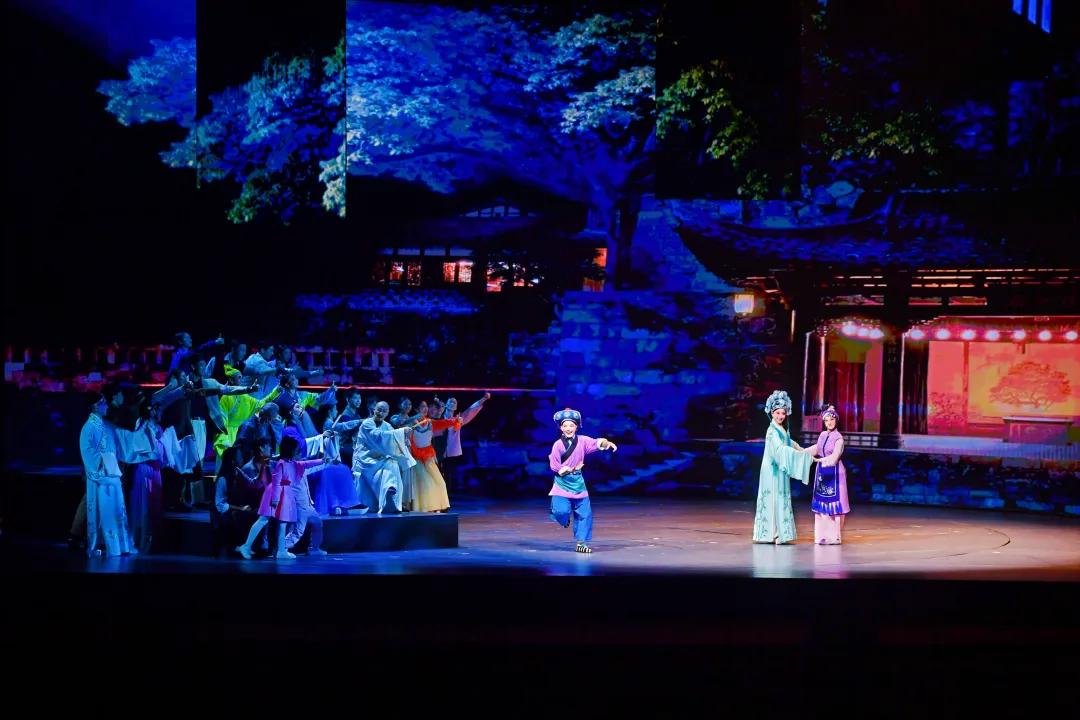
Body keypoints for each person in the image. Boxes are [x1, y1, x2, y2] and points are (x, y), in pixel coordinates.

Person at [546, 408, 618, 554]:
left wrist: (607, 443)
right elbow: (554, 464)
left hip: (578, 483)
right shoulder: (558, 445)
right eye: (565, 425)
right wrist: (564, 469)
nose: (568, 428)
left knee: (584, 514)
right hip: (562, 484)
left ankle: (581, 543)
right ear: (561, 428)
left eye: (571, 425)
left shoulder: (583, 441)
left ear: (576, 427)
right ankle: (560, 516)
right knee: (561, 512)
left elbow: (596, 443)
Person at [751, 390, 816, 545]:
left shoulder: (781, 429)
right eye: (778, 413)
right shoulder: (771, 431)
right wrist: (799, 454)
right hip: (772, 470)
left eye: (783, 413)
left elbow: (789, 443)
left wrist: (803, 451)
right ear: (772, 413)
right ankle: (771, 533)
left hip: (779, 469)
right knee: (773, 499)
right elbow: (780, 449)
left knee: (780, 498)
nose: (781, 416)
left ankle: (780, 533)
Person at [809, 405, 849, 545]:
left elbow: (835, 457)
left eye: (831, 419)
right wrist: (800, 452)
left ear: (836, 420)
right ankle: (821, 536)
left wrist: (819, 460)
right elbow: (816, 449)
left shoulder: (839, 439)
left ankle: (834, 537)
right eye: (826, 420)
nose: (829, 422)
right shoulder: (823, 435)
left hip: (835, 473)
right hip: (822, 473)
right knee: (822, 504)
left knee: (833, 506)